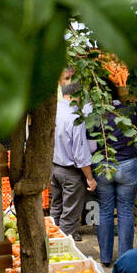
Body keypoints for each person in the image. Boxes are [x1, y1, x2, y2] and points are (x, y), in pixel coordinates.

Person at [92, 81, 137, 267]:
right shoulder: (129, 110)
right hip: (128, 164)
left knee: (105, 210)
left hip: (104, 165)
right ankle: (124, 259)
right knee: (126, 211)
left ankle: (105, 257)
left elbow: (90, 141)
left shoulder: (96, 114)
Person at [50, 81, 97, 239]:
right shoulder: (75, 118)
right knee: (69, 216)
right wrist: (90, 178)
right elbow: (80, 154)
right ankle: (64, 246)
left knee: (56, 208)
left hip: (54, 167)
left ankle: (51, 241)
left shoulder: (54, 110)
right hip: (71, 172)